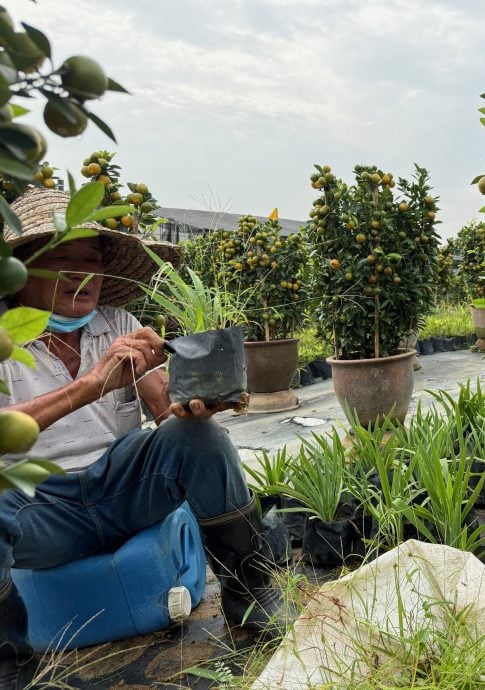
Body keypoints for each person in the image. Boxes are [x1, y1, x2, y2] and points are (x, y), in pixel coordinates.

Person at [0, 188, 292, 689]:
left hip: (119, 487)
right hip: (38, 509)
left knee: (199, 438)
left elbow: (166, 415)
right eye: (63, 259)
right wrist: (90, 385)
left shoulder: (119, 325)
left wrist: (197, 397)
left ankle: (251, 596)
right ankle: (11, 662)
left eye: (91, 261)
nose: (83, 274)